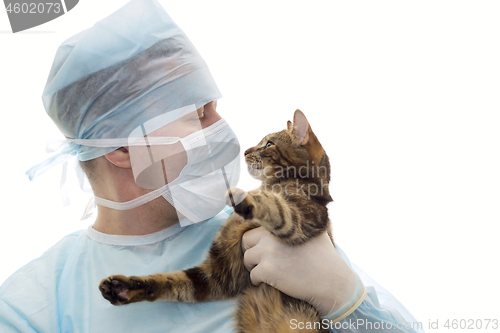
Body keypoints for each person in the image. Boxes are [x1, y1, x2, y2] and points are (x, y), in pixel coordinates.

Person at [0, 0, 424, 332]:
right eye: (198, 114)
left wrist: (343, 299)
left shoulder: (272, 241)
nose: (221, 129)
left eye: (215, 108)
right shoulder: (33, 307)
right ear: (123, 148)